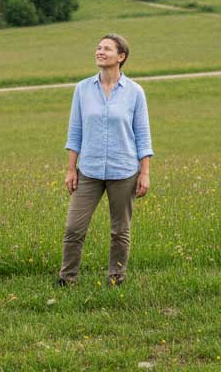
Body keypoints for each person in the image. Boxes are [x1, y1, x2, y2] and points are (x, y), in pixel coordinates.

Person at [59, 33, 152, 287]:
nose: (100, 52)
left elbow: (143, 135)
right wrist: (71, 169)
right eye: (98, 48)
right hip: (88, 170)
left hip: (124, 171)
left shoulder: (134, 92)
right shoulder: (82, 89)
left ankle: (116, 279)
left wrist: (144, 173)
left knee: (120, 231)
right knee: (74, 228)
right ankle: (67, 279)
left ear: (121, 57)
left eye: (107, 49)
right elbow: (74, 132)